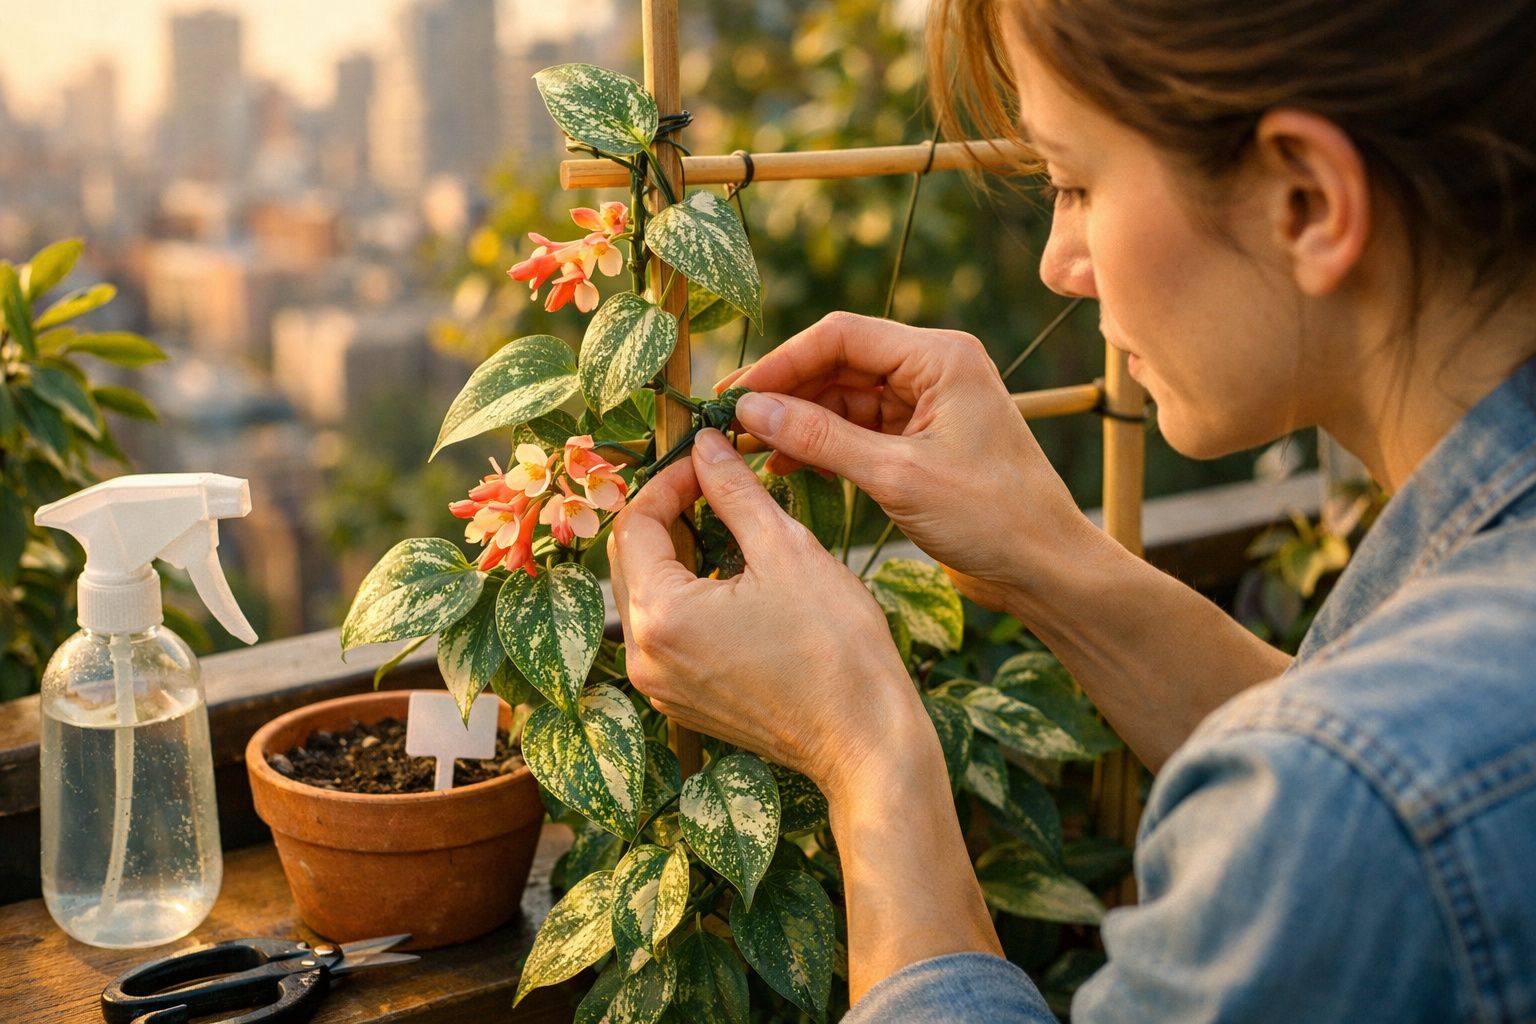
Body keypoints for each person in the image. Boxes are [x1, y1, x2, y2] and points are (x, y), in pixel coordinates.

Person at [607, 0, 1536, 1018]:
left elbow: (1364, 802)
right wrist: (1042, 557)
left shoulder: (1368, 809)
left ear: (1306, 201)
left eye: (1075, 182)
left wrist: (868, 750)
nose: (1059, 262)